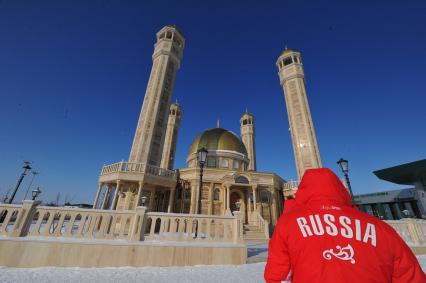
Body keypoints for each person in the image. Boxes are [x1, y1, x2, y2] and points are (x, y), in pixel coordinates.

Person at [264, 168, 426, 283]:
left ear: (303, 191)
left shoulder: (288, 224)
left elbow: (276, 275)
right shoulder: (380, 228)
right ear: (339, 189)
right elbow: (409, 276)